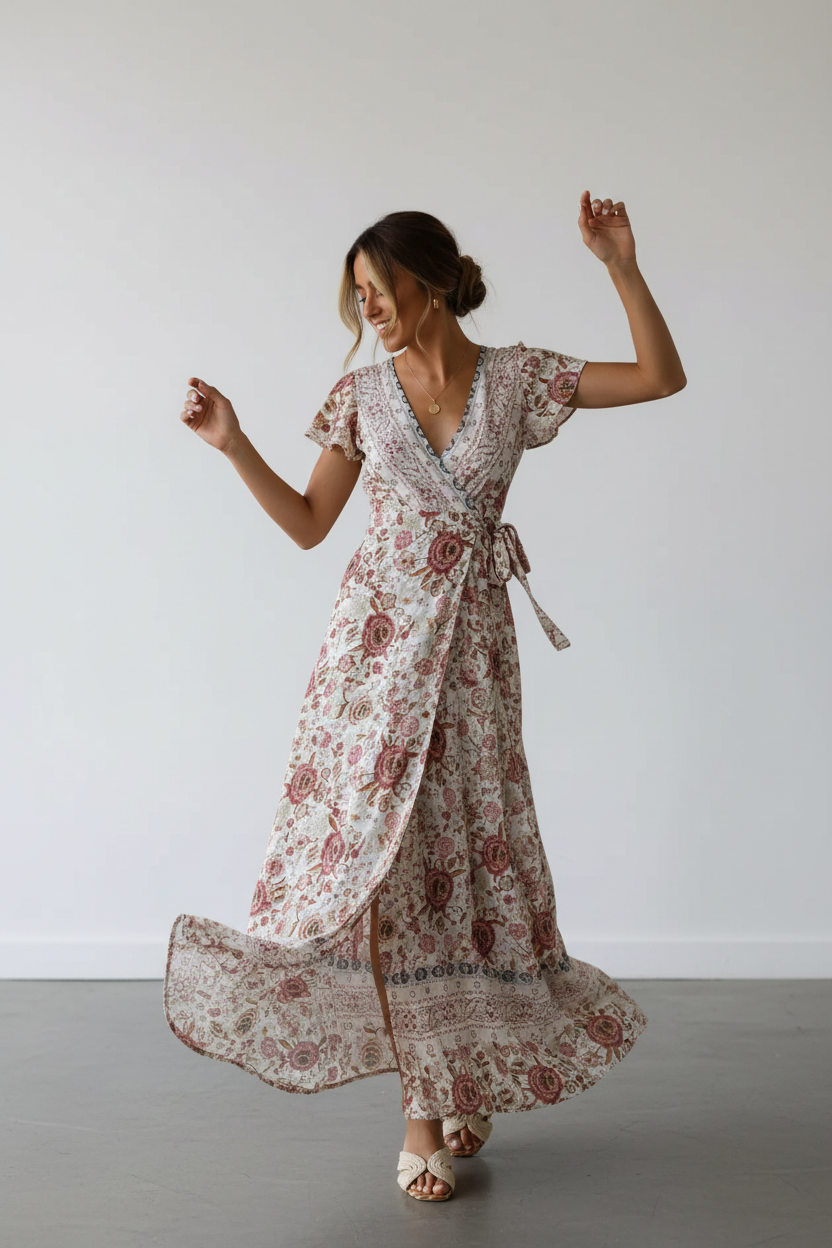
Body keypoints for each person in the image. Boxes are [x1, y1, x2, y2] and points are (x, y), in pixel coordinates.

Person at [166, 195, 686, 1203]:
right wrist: (233, 444)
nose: (370, 313)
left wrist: (621, 266)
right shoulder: (360, 394)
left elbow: (661, 378)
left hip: (474, 661)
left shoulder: (518, 381)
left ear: (433, 282)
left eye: (381, 291)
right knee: (392, 875)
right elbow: (313, 523)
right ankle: (423, 1109)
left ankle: (463, 1073)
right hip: (373, 670)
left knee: (466, 865)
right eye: (357, 298)